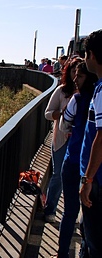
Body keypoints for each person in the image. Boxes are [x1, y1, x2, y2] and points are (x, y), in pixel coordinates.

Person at [63, 30, 102, 258]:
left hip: (96, 179)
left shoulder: (101, 91)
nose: (85, 59)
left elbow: (101, 137)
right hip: (94, 176)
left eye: (87, 54)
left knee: (96, 239)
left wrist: (87, 180)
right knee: (90, 237)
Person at [51, 62, 97, 258]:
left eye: (79, 76)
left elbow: (63, 124)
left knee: (70, 209)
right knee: (90, 217)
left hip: (75, 159)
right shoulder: (98, 95)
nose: (76, 80)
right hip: (94, 166)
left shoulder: (77, 99)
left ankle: (62, 257)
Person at [43, 56, 79, 221]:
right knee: (58, 175)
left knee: (79, 177)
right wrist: (61, 113)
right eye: (73, 71)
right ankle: (50, 210)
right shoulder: (61, 90)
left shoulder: (89, 93)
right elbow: (48, 113)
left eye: (79, 71)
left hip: (79, 140)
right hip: (61, 139)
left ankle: (72, 215)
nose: (76, 75)